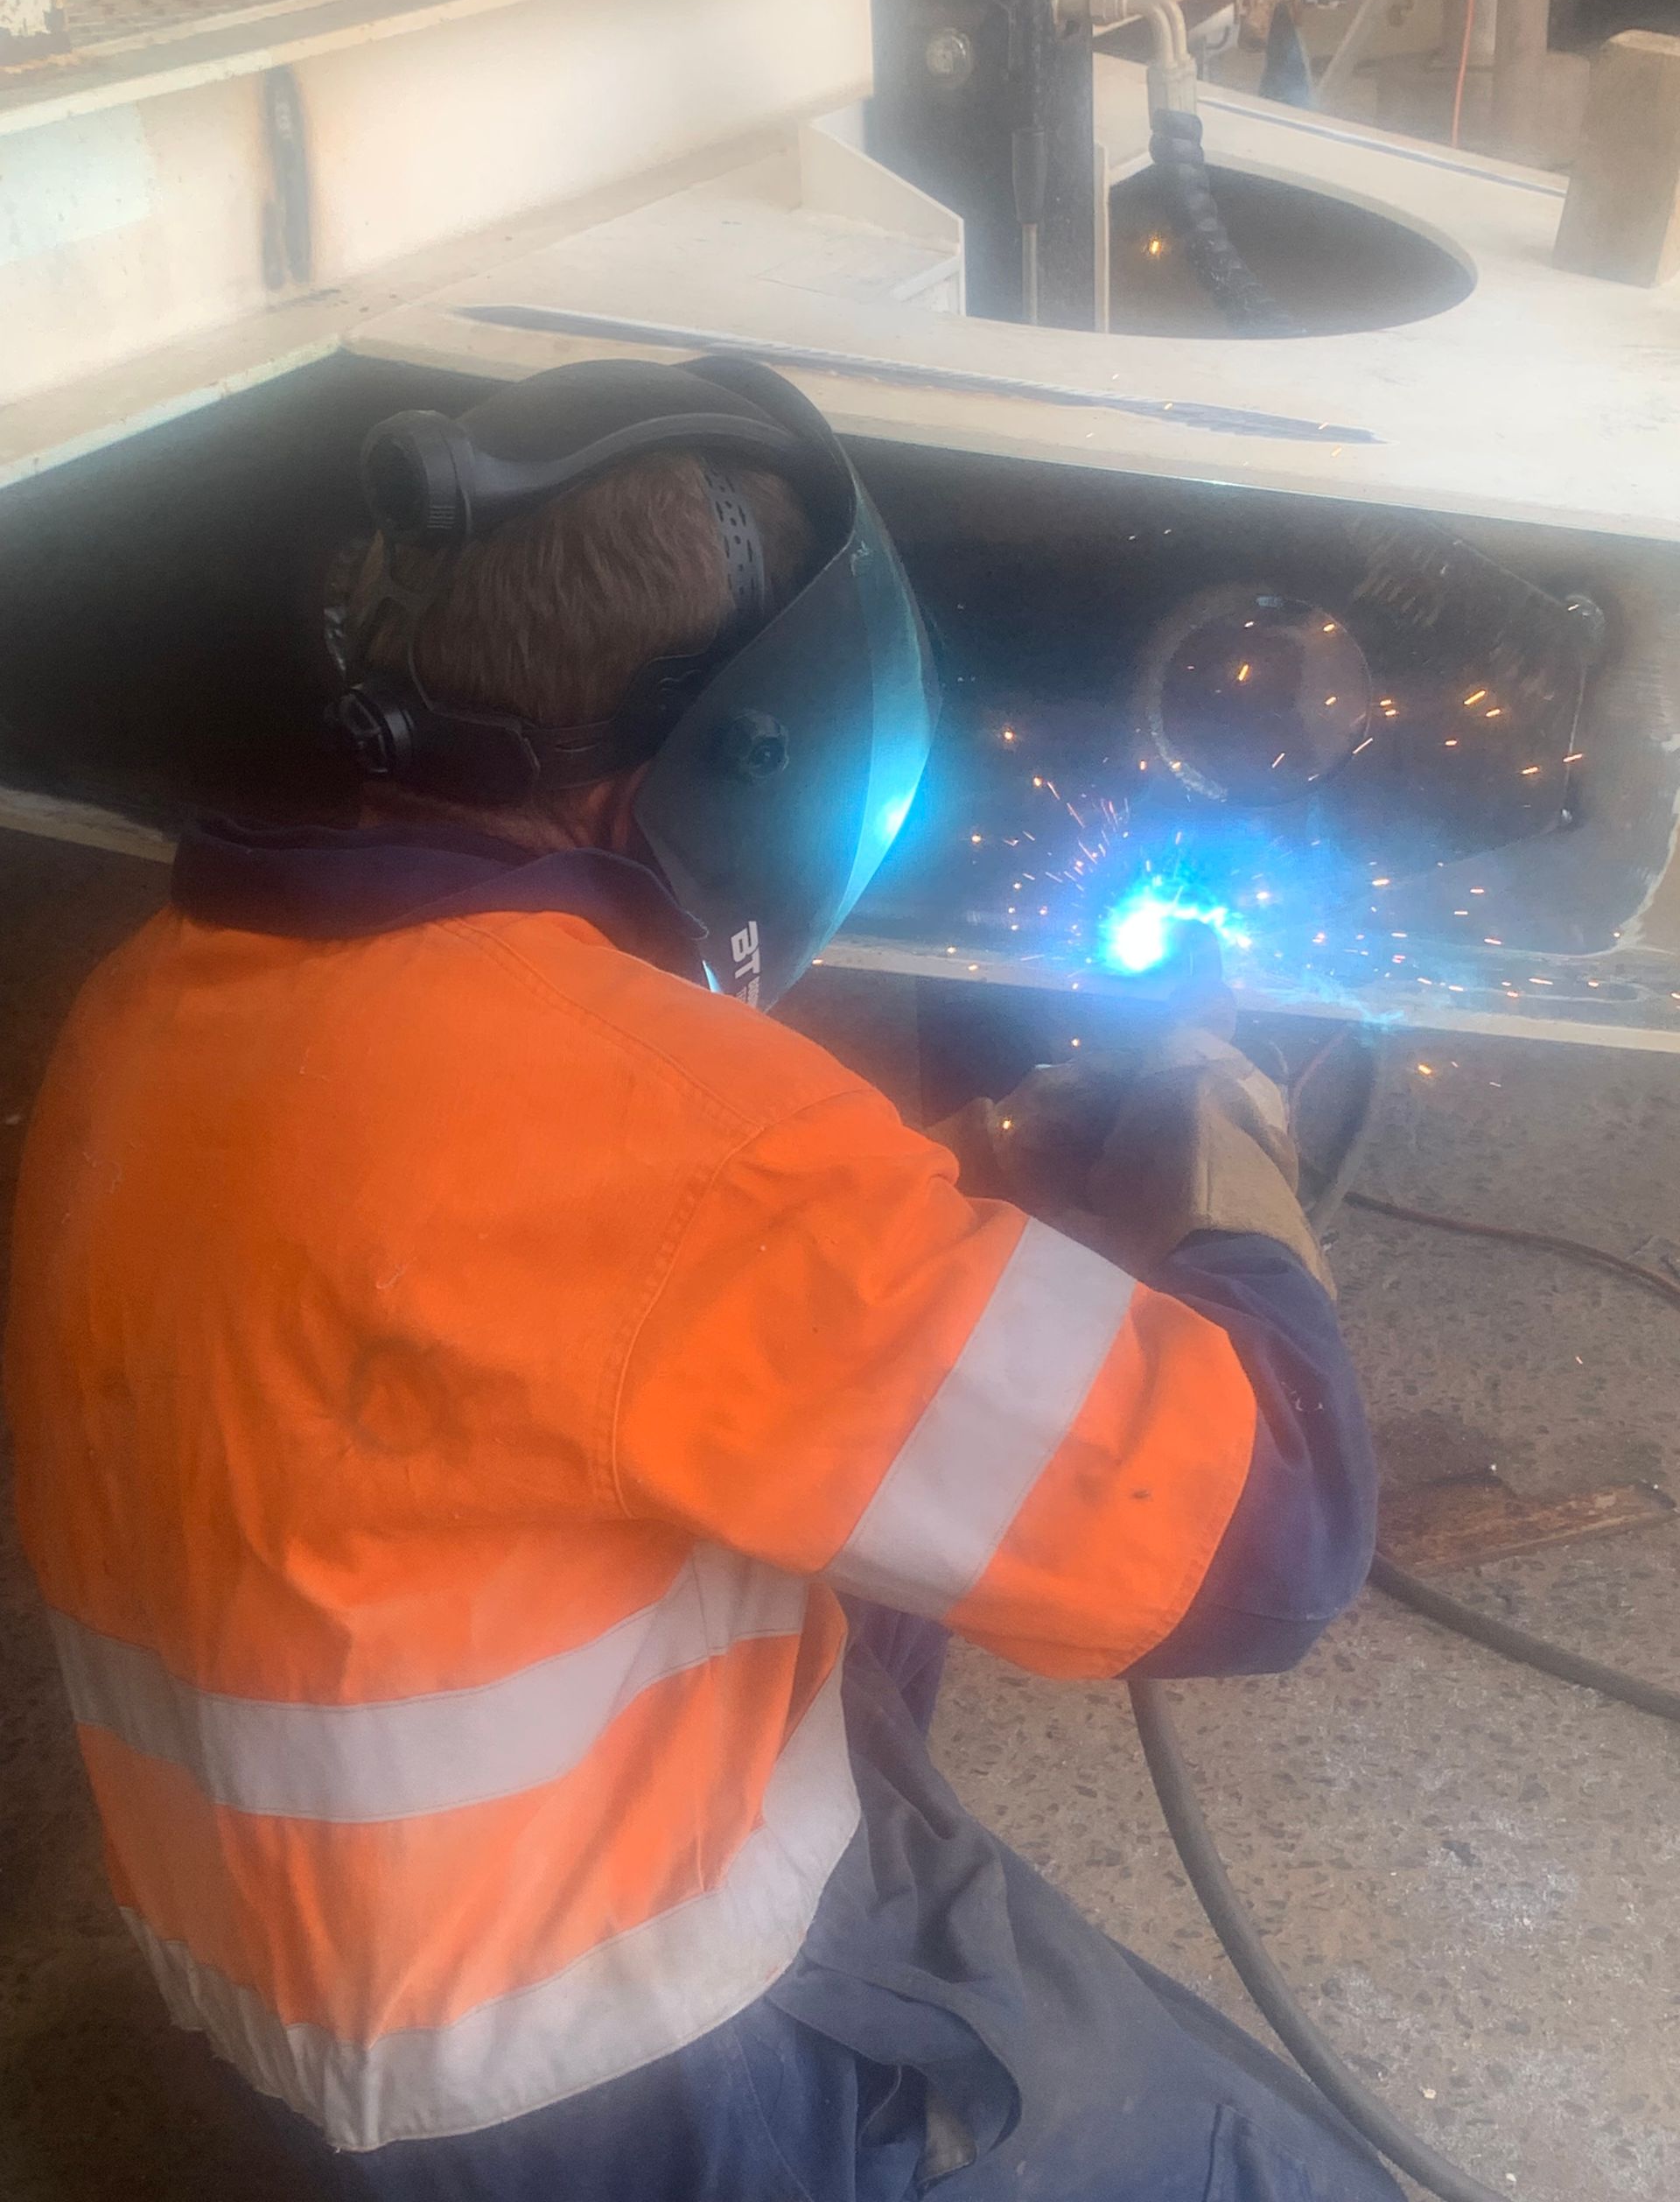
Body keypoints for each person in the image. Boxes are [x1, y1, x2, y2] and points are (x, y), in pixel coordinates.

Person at [5, 356, 1399, 2202]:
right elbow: (1278, 1541)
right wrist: (1225, 1131)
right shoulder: (669, 1134)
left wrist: (958, 1202)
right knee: (1269, 2166)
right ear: (772, 748)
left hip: (283, 2013)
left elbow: (538, 1302)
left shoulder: (155, 1004)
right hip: (640, 2073)